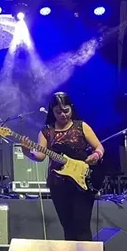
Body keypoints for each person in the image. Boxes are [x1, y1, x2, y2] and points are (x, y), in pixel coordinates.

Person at [23, 92, 104, 242]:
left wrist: (96, 155)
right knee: (67, 226)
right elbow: (40, 156)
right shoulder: (46, 131)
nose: (63, 115)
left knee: (82, 226)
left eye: (66, 111)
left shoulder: (81, 126)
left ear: (71, 108)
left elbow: (99, 146)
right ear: (52, 112)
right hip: (58, 184)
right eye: (58, 112)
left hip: (82, 182)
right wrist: (27, 152)